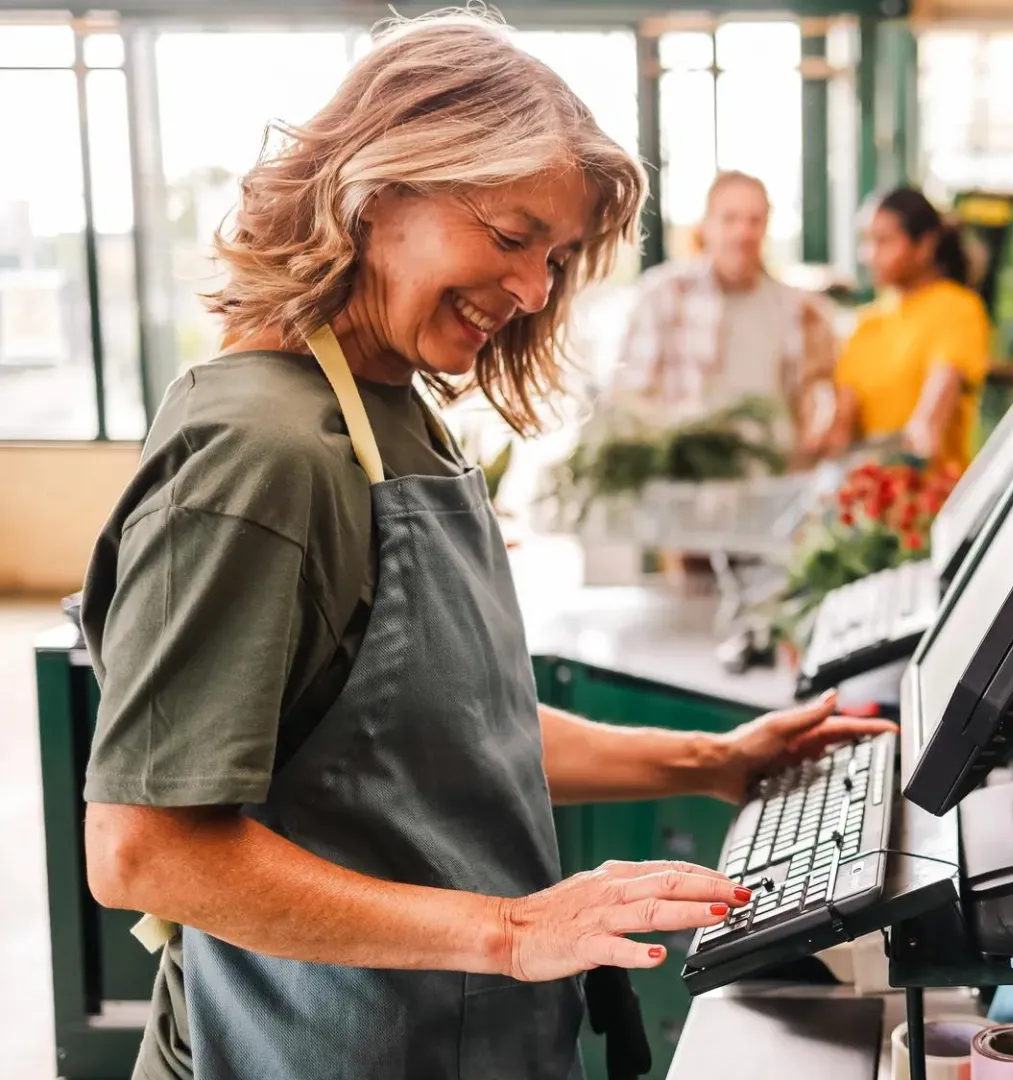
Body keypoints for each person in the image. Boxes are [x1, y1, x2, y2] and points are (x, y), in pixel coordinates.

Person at [77, 15, 892, 1080]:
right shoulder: (260, 455)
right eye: (512, 237)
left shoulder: (390, 411)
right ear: (379, 186)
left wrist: (714, 764)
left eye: (553, 258)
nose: (534, 291)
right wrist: (514, 933)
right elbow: (145, 848)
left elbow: (442, 734)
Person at [615, 170, 836, 461]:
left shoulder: (795, 307)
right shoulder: (663, 296)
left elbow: (810, 393)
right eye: (730, 219)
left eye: (754, 221)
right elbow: (629, 397)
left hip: (772, 474)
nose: (743, 233)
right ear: (705, 226)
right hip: (690, 478)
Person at [829, 187, 992, 470]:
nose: (869, 255)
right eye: (866, 241)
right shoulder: (866, 323)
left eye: (884, 241)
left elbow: (927, 430)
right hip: (868, 498)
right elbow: (841, 431)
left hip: (931, 500)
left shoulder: (957, 309)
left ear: (925, 245)